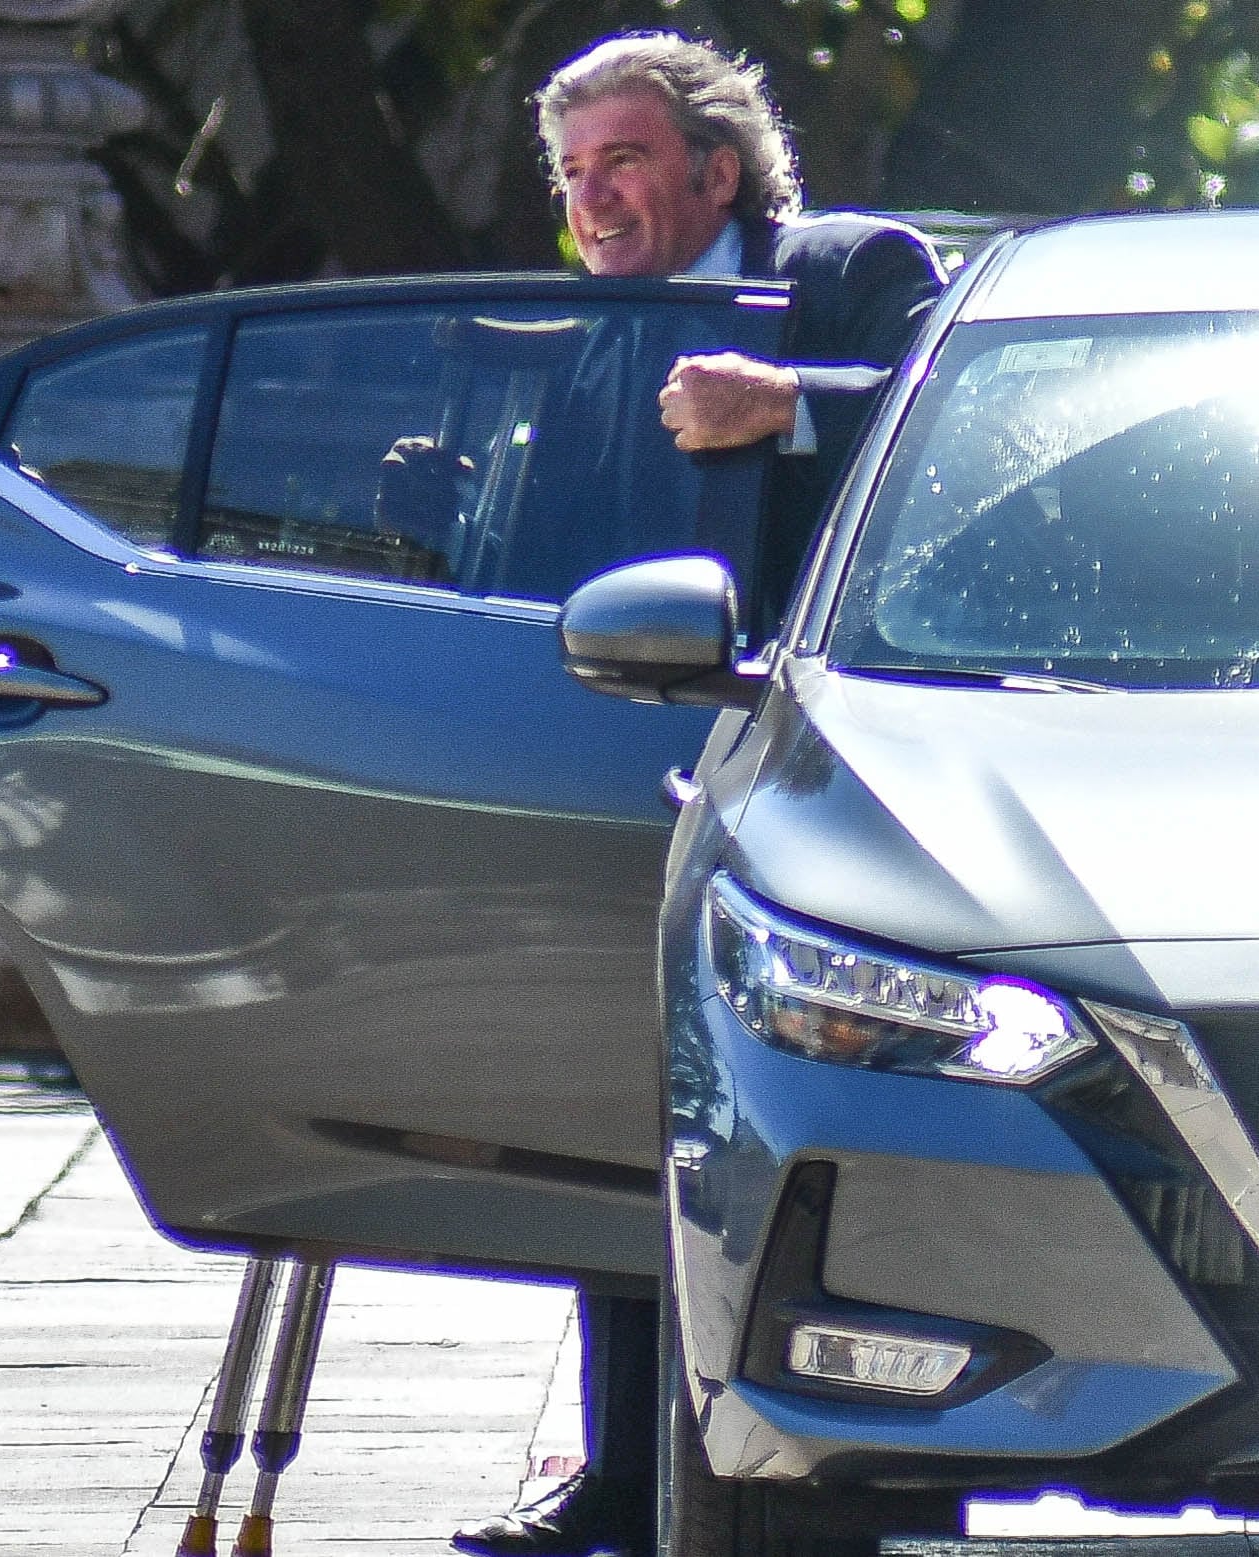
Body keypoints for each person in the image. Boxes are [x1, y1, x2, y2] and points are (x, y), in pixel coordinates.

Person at [451, 31, 945, 1557]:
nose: (592, 199)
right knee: (624, 1112)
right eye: (574, 173)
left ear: (716, 170)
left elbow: (960, 431)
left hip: (846, 787)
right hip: (625, 770)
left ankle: (864, 1454)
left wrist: (785, 401)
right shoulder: (592, 328)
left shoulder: (851, 265)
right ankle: (617, 1477)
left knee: (808, 1127)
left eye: (625, 163)